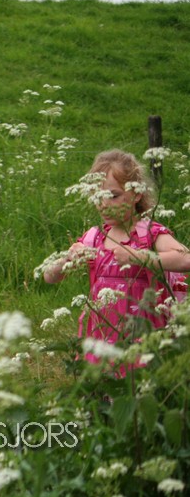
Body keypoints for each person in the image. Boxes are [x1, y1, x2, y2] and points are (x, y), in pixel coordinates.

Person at [43, 149, 190, 374]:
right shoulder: (95, 237)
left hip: (143, 331)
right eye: (98, 197)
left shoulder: (148, 233)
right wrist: (68, 259)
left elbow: (185, 259)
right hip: (103, 331)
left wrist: (139, 256)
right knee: (102, 384)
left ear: (136, 194)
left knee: (140, 382)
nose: (104, 204)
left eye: (114, 196)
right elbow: (49, 277)